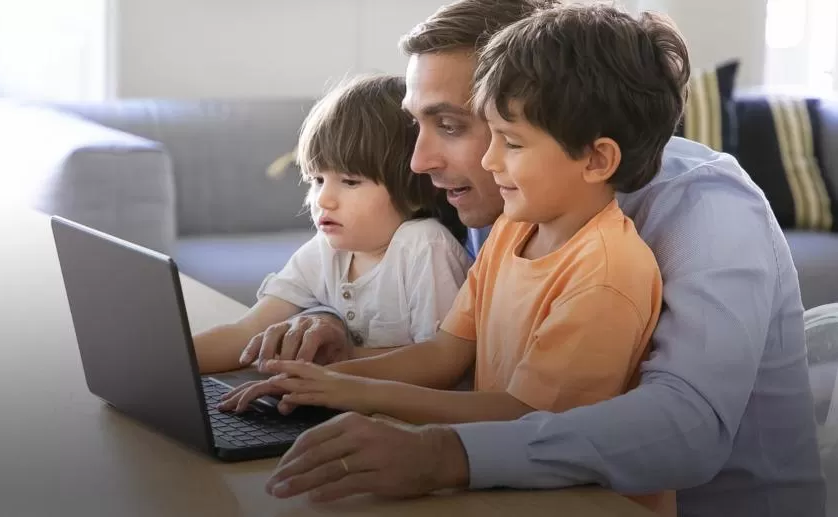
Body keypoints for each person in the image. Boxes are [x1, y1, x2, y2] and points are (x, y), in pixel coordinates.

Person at [240, 1, 827, 516]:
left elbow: (686, 430)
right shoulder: (502, 198)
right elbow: (456, 339)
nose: (417, 161)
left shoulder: (703, 208)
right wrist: (331, 333)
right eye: (416, 124)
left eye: (450, 125)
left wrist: (442, 453)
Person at [192, 74, 472, 375]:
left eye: (350, 182)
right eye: (317, 180)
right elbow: (246, 332)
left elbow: (439, 363)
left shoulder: (424, 245)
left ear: (415, 189)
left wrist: (335, 364)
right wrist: (161, 366)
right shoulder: (324, 251)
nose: (323, 200)